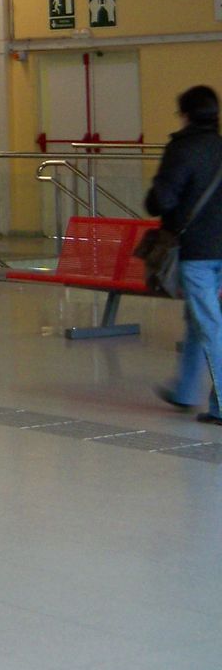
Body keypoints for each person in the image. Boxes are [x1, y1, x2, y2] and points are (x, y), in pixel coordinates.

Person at [149, 85, 222, 423]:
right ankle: (185, 390)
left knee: (209, 324)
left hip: (197, 252)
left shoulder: (183, 149)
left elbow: (160, 201)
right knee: (199, 319)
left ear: (186, 114)